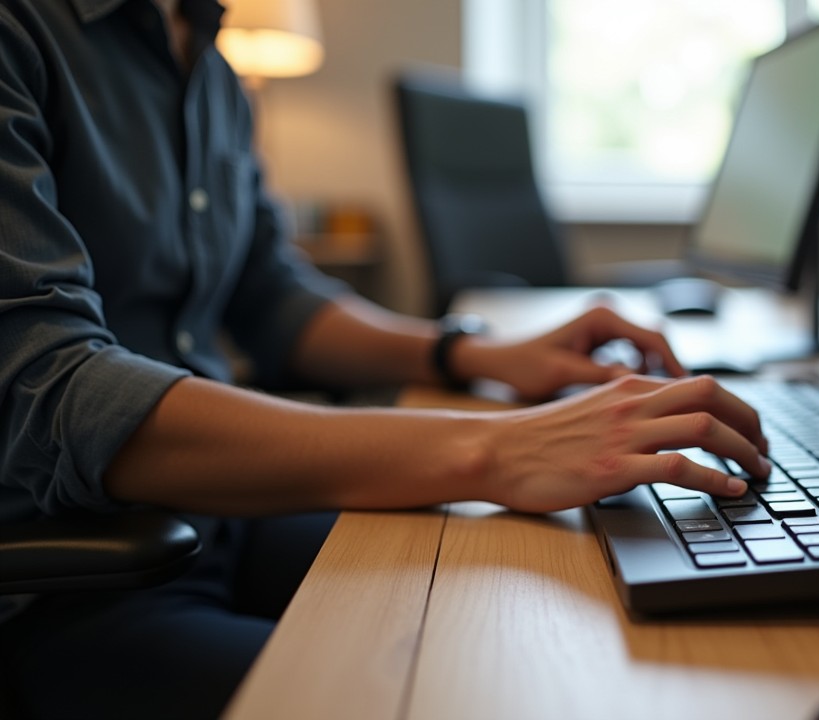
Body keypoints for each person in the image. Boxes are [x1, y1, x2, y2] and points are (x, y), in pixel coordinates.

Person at [0, 1, 769, 717]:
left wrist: (477, 355)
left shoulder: (208, 60)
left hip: (221, 518)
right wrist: (496, 448)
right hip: (72, 582)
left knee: (536, 595)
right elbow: (60, 391)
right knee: (464, 693)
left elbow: (271, 297)